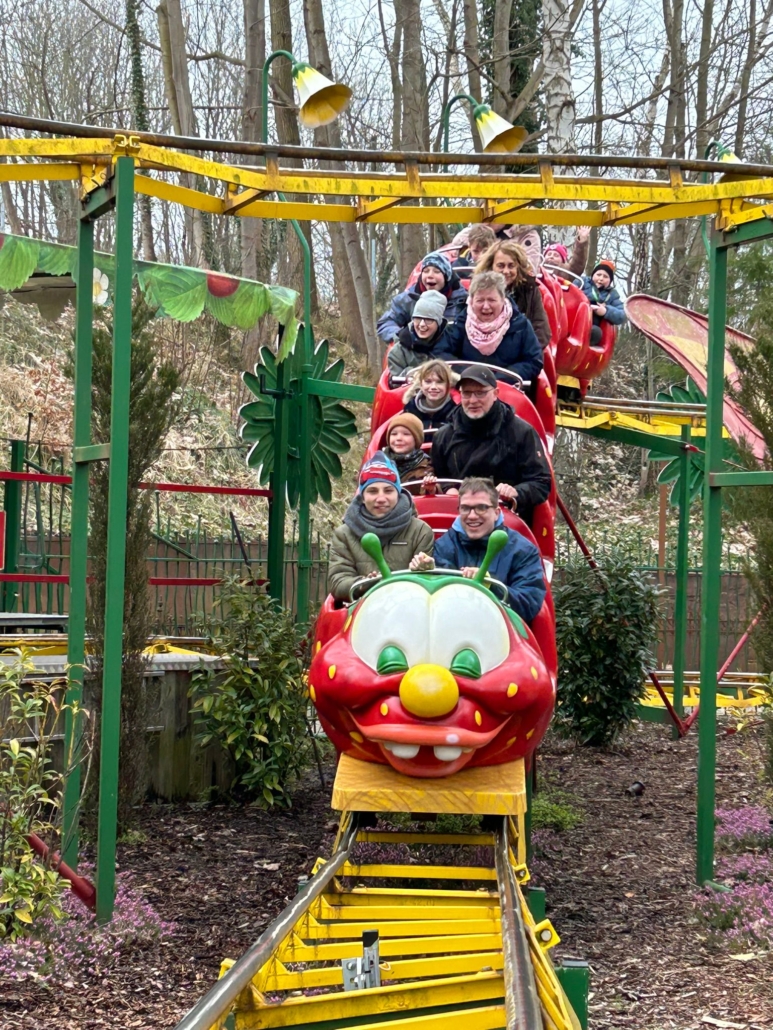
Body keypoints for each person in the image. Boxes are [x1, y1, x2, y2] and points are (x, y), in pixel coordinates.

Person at [430, 366, 552, 526]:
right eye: (467, 393)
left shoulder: (522, 432)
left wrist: (516, 492)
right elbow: (438, 475)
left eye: (480, 393)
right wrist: (447, 488)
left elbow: (541, 482)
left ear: (495, 394)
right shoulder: (443, 436)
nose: (473, 400)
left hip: (505, 520)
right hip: (456, 516)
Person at [428, 477, 546, 622]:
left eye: (481, 508)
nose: (472, 516)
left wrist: (491, 587)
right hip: (452, 625)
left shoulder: (522, 549)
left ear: (496, 513)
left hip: (503, 628)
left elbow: (529, 604)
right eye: (465, 508)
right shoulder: (445, 545)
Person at [327, 452, 434, 601]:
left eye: (388, 490)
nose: (381, 498)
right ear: (362, 497)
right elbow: (338, 582)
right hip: (362, 607)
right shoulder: (344, 534)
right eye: (372, 491)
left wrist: (424, 569)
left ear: (398, 493)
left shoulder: (420, 531)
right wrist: (363, 584)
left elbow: (425, 586)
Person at [437, 271, 543, 386]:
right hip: (466, 385)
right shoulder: (461, 322)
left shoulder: (520, 325)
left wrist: (499, 379)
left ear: (502, 299)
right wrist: (469, 375)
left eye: (492, 300)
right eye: (480, 300)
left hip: (507, 386)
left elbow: (533, 360)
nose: (486, 306)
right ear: (471, 301)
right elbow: (441, 352)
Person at [377, 252, 468, 346]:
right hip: (417, 350)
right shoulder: (408, 299)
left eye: (437, 271)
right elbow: (386, 322)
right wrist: (401, 335)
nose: (430, 275)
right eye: (426, 271)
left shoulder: (463, 300)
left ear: (446, 276)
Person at [474, 240, 551, 349]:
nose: (506, 271)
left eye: (511, 266)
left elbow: (542, 330)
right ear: (491, 267)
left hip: (523, 351)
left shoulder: (530, 290)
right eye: (500, 266)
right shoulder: (479, 290)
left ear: (518, 267)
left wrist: (524, 351)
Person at [386, 291, 449, 378]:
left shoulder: (451, 342)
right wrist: (413, 373)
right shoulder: (399, 350)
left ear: (438, 322)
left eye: (428, 320)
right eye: (418, 318)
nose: (422, 324)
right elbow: (394, 381)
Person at [403, 359, 459, 433]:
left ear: (448, 385)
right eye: (428, 381)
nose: (433, 387)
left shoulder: (455, 412)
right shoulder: (410, 408)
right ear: (421, 384)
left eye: (439, 382)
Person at [580, 258, 626, 346]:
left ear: (610, 281)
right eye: (598, 274)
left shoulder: (612, 295)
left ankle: (583, 348)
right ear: (593, 275)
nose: (601, 278)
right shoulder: (581, 282)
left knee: (596, 332)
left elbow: (622, 315)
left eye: (605, 276)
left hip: (592, 325)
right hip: (575, 317)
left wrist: (605, 311)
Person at [383, 412, 434, 485]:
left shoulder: (426, 466)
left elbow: (433, 488)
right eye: (394, 434)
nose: (399, 438)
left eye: (406, 434)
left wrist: (430, 488)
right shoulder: (378, 463)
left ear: (416, 439)